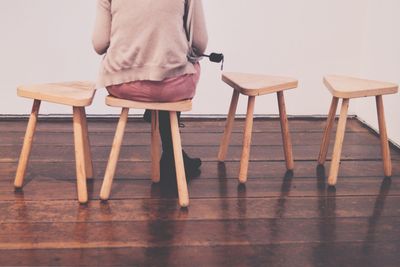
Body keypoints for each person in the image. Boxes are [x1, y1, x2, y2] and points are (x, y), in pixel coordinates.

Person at [92, 0, 208, 185]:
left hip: (122, 84)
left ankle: (167, 143)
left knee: (162, 73)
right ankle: (172, 154)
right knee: (183, 67)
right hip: (171, 86)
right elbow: (200, 45)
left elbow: (99, 44)